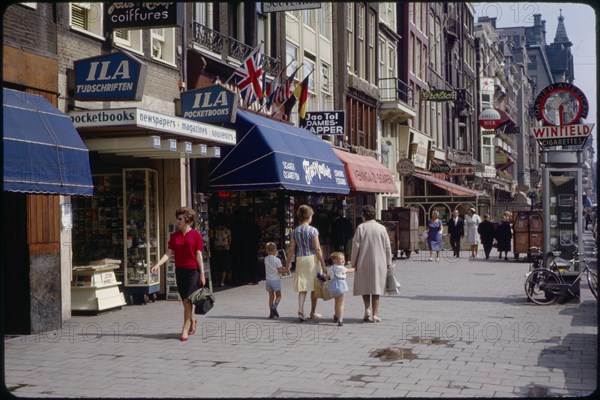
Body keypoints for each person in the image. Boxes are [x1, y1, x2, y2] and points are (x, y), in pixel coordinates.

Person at [151, 207, 205, 341]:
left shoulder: (196, 235)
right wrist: (157, 265)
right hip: (180, 271)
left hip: (193, 271)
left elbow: (199, 255)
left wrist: (202, 273)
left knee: (187, 301)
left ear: (187, 220)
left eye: (180, 219)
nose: (178, 221)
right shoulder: (175, 236)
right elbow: (168, 253)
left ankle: (185, 330)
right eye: (177, 218)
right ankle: (192, 320)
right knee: (184, 301)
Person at [351, 204, 393, 323]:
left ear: (363, 215)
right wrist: (389, 262)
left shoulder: (361, 228)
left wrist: (353, 262)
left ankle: (367, 309)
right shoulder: (382, 228)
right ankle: (375, 314)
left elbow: (356, 246)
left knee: (365, 286)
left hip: (363, 261)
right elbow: (387, 247)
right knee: (376, 288)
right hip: (380, 262)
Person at [285, 205, 327, 322]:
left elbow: (291, 249)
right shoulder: (313, 230)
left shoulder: (295, 231)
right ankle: (313, 312)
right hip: (312, 259)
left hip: (300, 259)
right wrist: (323, 264)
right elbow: (317, 248)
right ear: (309, 216)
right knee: (314, 286)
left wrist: (287, 264)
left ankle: (300, 309)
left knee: (303, 287)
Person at [322, 251, 355, 327]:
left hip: (333, 286)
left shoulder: (331, 268)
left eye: (343, 259)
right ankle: (340, 319)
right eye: (341, 259)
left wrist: (324, 275)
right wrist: (355, 267)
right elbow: (349, 271)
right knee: (341, 304)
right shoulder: (341, 268)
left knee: (337, 302)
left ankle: (336, 315)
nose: (343, 260)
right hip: (341, 286)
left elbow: (328, 277)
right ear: (335, 260)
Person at [264, 242, 288, 319]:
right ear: (275, 250)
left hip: (268, 280)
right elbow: (280, 271)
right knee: (278, 296)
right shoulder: (277, 260)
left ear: (267, 250)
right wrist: (287, 270)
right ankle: (274, 306)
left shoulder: (265, 259)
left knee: (271, 297)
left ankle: (271, 313)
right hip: (276, 280)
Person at [211, 213, 232, 286]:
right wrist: (228, 245)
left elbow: (212, 238)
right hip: (225, 249)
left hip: (216, 248)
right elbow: (230, 239)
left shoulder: (214, 229)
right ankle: (222, 282)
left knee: (217, 265)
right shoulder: (227, 229)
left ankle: (217, 280)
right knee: (224, 265)